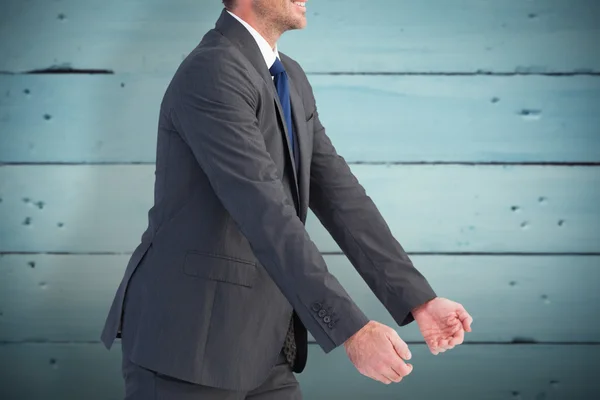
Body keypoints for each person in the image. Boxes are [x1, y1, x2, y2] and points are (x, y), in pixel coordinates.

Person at [100, 1, 474, 398]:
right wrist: (352, 330)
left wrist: (419, 299)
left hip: (261, 345)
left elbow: (341, 197)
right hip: (186, 344)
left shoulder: (289, 77)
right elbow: (265, 213)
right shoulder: (212, 70)